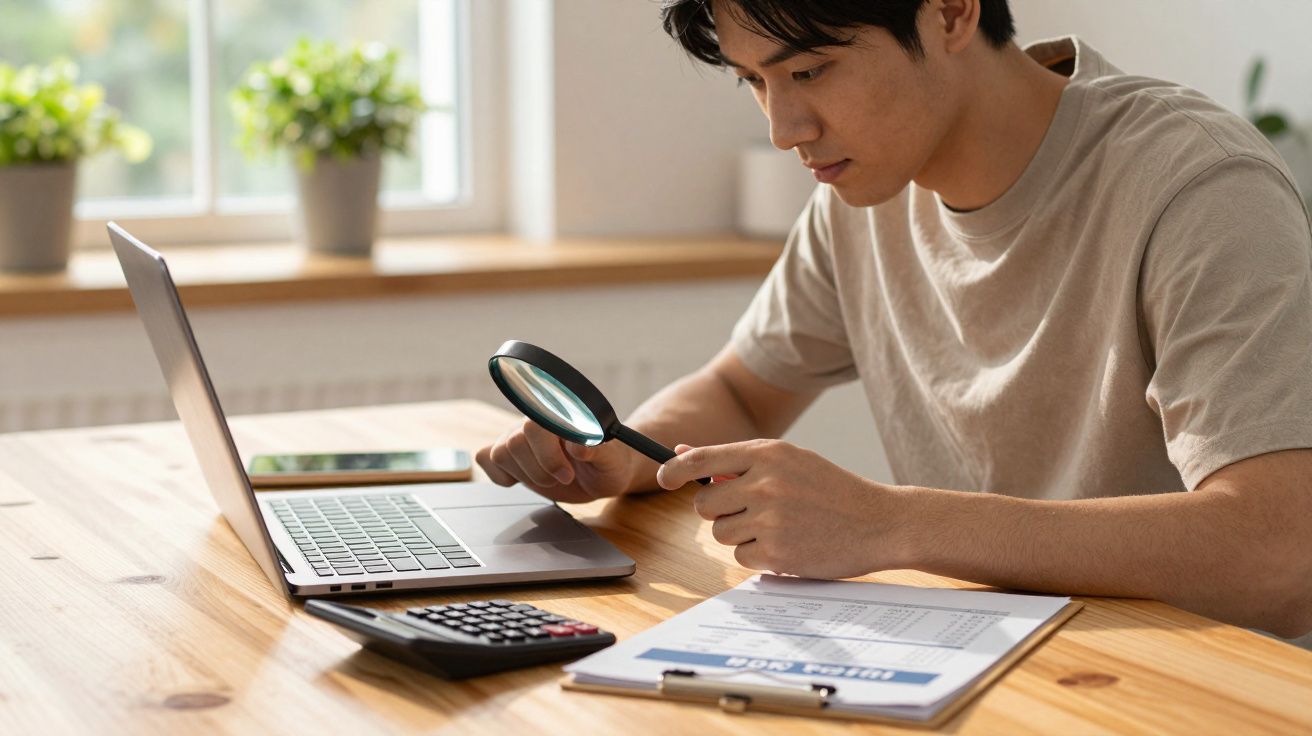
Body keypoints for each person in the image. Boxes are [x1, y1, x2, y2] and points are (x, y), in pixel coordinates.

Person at [477, 0, 1312, 638]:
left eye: (808, 72)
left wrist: (890, 523)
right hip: (983, 657)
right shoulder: (864, 187)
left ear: (950, 11)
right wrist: (624, 456)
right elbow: (740, 391)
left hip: (1183, 681)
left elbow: (1279, 551)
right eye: (754, 81)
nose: (783, 128)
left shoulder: (1199, 185)